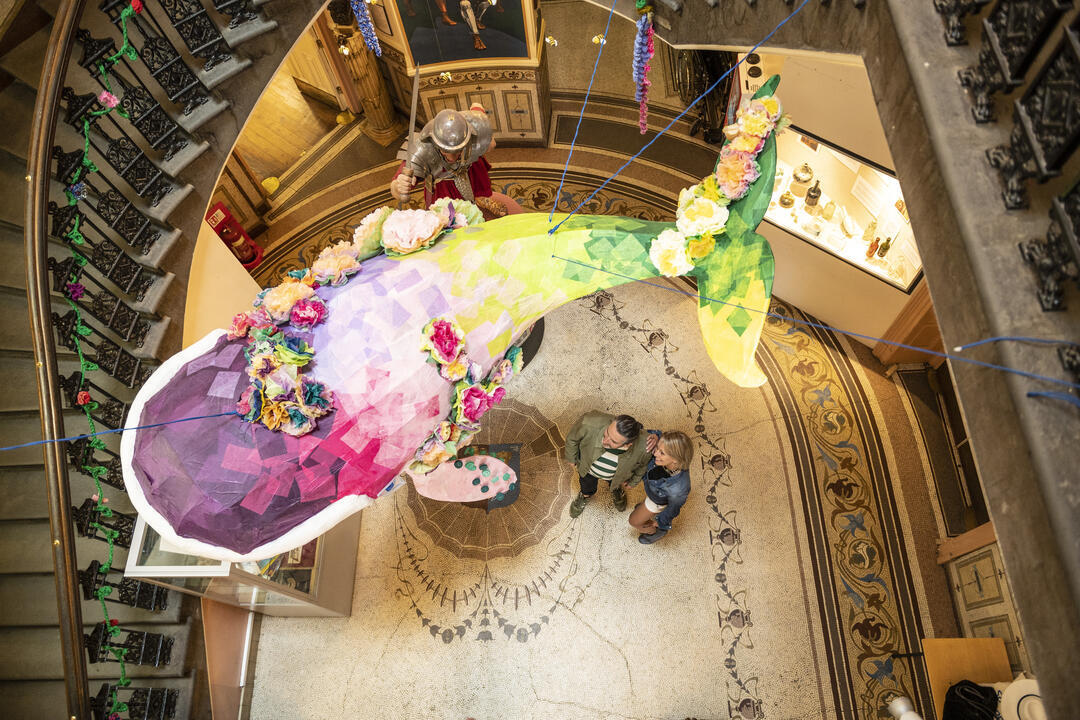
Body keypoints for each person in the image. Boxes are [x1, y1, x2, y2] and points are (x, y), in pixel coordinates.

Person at [391, 106, 511, 218]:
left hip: (469, 173)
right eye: (445, 151)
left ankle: (481, 200)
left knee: (477, 196)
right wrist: (399, 187)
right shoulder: (422, 148)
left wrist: (485, 139)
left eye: (458, 150)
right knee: (451, 218)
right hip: (444, 187)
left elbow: (479, 113)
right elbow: (396, 188)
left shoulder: (469, 129)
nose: (452, 158)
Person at [564, 412, 657, 518]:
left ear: (628, 445)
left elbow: (642, 466)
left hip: (617, 476)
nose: (605, 440)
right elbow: (572, 439)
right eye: (607, 432)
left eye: (613, 441)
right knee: (586, 485)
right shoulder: (588, 422)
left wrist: (633, 481)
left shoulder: (646, 446)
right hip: (588, 470)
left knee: (615, 484)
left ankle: (615, 488)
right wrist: (571, 457)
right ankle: (585, 495)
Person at [628, 431, 693, 544]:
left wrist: (661, 522)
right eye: (657, 448)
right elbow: (653, 433)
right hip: (653, 491)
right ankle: (644, 510)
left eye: (662, 453)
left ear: (676, 459)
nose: (655, 453)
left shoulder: (679, 489)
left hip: (657, 501)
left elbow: (672, 509)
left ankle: (655, 531)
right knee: (642, 509)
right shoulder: (667, 451)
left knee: (634, 521)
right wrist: (655, 436)